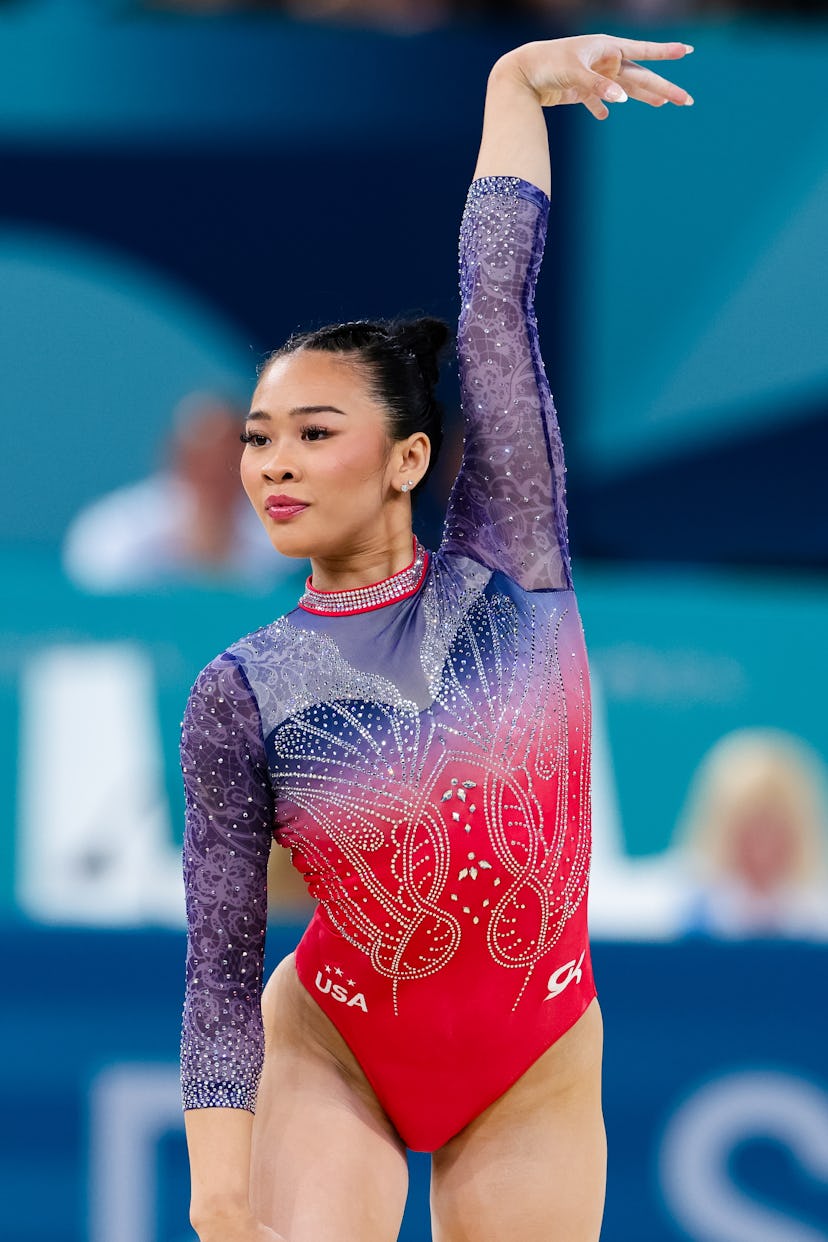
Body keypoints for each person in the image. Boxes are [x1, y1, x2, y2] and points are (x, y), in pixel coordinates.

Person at [179, 33, 695, 1242]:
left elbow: (496, 305)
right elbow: (219, 960)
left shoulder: (513, 562)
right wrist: (215, 1184)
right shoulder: (239, 690)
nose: (276, 465)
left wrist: (512, 85)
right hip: (337, 1050)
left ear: (411, 457)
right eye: (261, 437)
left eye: (314, 433)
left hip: (536, 1059)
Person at [63, 392, 293, 593]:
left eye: (231, 459)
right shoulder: (114, 529)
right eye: (205, 458)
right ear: (181, 456)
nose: (217, 470)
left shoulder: (285, 532)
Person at [673, 728, 828, 939]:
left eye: (776, 830)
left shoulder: (816, 920)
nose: (763, 847)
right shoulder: (685, 912)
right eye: (751, 829)